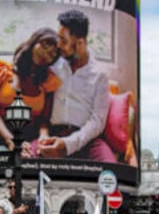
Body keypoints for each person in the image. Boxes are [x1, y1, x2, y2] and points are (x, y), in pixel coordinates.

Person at [24, 10, 116, 162]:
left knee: (111, 173)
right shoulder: (54, 64)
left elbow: (98, 121)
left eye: (63, 40)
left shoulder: (100, 75)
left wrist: (68, 145)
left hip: (87, 140)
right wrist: (43, 135)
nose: (58, 45)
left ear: (80, 43)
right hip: (52, 135)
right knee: (23, 163)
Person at [0, 27, 61, 151]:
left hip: (26, 136)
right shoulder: (2, 70)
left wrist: (44, 135)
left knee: (21, 158)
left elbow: (44, 119)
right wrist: (9, 139)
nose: (45, 54)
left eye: (52, 54)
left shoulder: (48, 81)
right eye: (44, 46)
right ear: (34, 41)